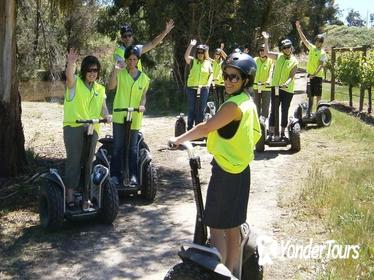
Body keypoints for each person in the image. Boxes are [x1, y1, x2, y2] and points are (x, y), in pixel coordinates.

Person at [169, 52, 261, 277]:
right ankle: (230, 272)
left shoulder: (232, 106)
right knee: (233, 226)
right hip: (241, 170)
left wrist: (178, 140)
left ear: (245, 81)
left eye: (235, 78)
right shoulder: (248, 103)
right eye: (227, 76)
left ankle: (218, 275)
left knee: (216, 228)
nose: (229, 81)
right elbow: (255, 134)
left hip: (225, 173)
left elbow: (205, 127)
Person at [63, 48, 111, 211]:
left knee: (88, 162)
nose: (92, 73)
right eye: (89, 70)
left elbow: (103, 108)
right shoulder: (75, 83)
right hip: (74, 126)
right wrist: (70, 63)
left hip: (92, 127)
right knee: (74, 161)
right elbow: (69, 77)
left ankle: (86, 196)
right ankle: (69, 194)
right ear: (84, 70)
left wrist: (107, 116)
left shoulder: (100, 89)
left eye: (95, 70)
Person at [108, 45, 150, 186]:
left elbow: (143, 96)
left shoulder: (144, 78)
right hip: (120, 115)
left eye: (134, 59)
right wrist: (115, 68)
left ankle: (133, 175)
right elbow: (111, 87)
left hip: (135, 117)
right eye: (129, 59)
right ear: (125, 60)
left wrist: (142, 105)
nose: (131, 61)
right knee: (118, 146)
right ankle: (115, 175)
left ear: (137, 60)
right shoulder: (120, 73)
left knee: (132, 147)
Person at [262, 31, 298, 140]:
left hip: (287, 90)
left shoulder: (294, 61)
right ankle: (271, 133)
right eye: (285, 47)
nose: (287, 49)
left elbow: (291, 76)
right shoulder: (278, 57)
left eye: (288, 47)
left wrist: (286, 83)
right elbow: (267, 53)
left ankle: (282, 133)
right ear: (282, 49)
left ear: (291, 48)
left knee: (284, 110)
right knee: (273, 109)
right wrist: (266, 40)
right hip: (275, 88)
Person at [295, 20, 327, 111]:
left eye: (320, 42)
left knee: (318, 96)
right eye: (317, 41)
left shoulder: (323, 53)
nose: (318, 43)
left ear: (322, 43)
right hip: (310, 76)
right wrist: (298, 29)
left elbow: (321, 66)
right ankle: (309, 111)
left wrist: (314, 74)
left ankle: (319, 112)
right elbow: (304, 39)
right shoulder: (312, 48)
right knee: (310, 95)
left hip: (317, 77)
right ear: (315, 41)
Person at [184, 40, 213, 130]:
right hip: (192, 88)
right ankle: (189, 128)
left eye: (202, 52)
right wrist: (191, 45)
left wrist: (208, 84)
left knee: (201, 109)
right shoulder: (193, 61)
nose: (200, 54)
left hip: (204, 88)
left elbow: (211, 74)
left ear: (204, 54)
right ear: (197, 53)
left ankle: (199, 129)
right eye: (199, 52)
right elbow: (186, 56)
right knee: (192, 108)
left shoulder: (207, 62)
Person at [253, 44, 273, 119]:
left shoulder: (270, 61)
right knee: (256, 105)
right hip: (256, 86)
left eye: (263, 50)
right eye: (260, 50)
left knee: (265, 106)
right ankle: (257, 122)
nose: (261, 52)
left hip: (266, 87)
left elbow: (271, 71)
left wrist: (268, 80)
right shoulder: (255, 60)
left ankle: (264, 122)